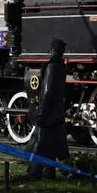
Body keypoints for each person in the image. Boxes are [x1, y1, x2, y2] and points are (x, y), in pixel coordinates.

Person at [23, 38, 69, 180]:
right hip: (56, 113)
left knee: (40, 143)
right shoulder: (61, 66)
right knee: (52, 143)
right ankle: (50, 172)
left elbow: (47, 91)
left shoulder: (52, 67)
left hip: (48, 114)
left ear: (52, 50)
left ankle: (34, 172)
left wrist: (41, 112)